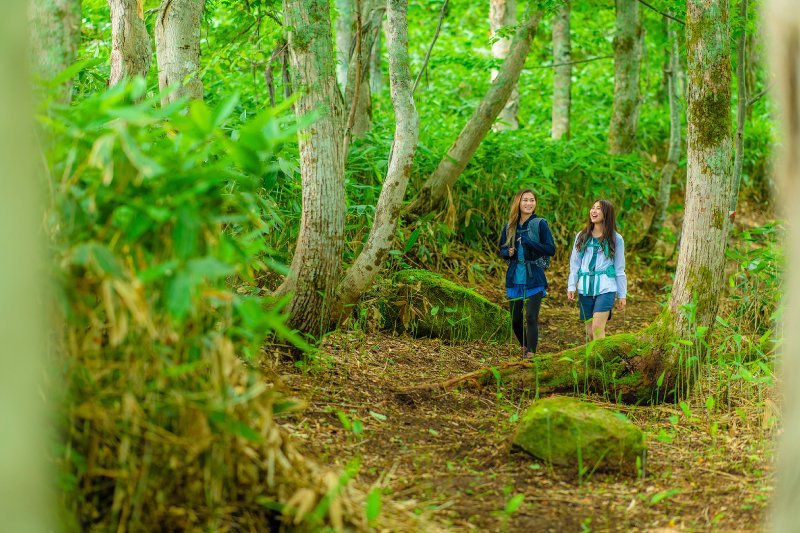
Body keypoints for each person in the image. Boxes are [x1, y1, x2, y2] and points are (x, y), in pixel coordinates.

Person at [498, 189, 556, 358]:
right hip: (515, 276)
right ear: (518, 202)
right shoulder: (509, 226)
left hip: (534, 276)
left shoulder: (540, 224)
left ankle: (531, 353)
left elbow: (550, 249)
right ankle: (525, 345)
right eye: (525, 200)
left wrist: (531, 243)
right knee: (515, 319)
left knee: (531, 317)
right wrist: (507, 252)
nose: (529, 203)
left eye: (532, 200)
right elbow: (502, 249)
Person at [567, 199, 627, 341]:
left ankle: (602, 363)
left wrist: (622, 294)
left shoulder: (616, 238)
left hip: (606, 287)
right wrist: (571, 285)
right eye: (592, 208)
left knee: (597, 328)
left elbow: (619, 268)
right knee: (590, 332)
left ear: (606, 214)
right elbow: (575, 264)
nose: (593, 211)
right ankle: (592, 362)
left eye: (598, 208)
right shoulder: (582, 236)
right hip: (585, 287)